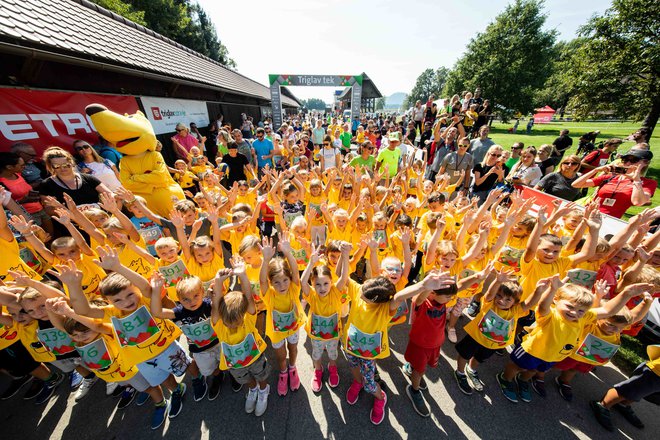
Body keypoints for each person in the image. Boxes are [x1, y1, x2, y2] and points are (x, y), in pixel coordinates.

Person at [572, 149, 656, 219]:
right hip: (586, 213)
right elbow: (576, 184)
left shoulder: (648, 183)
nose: (628, 163)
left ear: (646, 163)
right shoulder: (611, 177)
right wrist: (595, 170)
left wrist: (636, 179)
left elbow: (638, 202)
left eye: (634, 160)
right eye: (625, 160)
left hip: (608, 220)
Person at [37, 147, 112, 213]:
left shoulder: (88, 178)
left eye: (65, 165)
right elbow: (49, 210)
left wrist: (116, 196)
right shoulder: (46, 185)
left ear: (71, 163)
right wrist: (69, 212)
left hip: (98, 220)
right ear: (51, 167)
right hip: (71, 224)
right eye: (57, 166)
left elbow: (109, 194)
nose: (62, 168)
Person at [0, 152, 53, 234]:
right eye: (21, 165)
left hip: (40, 209)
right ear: (9, 167)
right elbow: (10, 208)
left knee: (50, 235)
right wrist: (23, 201)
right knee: (40, 238)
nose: (24, 167)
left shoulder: (19, 174)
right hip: (29, 214)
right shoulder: (2, 185)